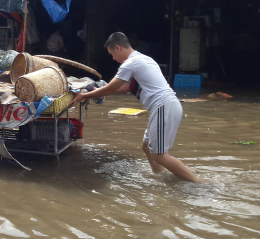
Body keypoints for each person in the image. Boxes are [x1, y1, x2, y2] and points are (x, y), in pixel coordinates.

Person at [70, 32, 199, 182]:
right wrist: (97, 92)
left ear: (118, 48)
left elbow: (111, 88)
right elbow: (125, 87)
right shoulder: (143, 59)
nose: (113, 59)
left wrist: (83, 96)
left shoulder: (130, 63)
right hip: (163, 107)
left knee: (159, 154)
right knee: (146, 146)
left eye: (112, 54)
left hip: (164, 106)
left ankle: (198, 183)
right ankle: (160, 176)